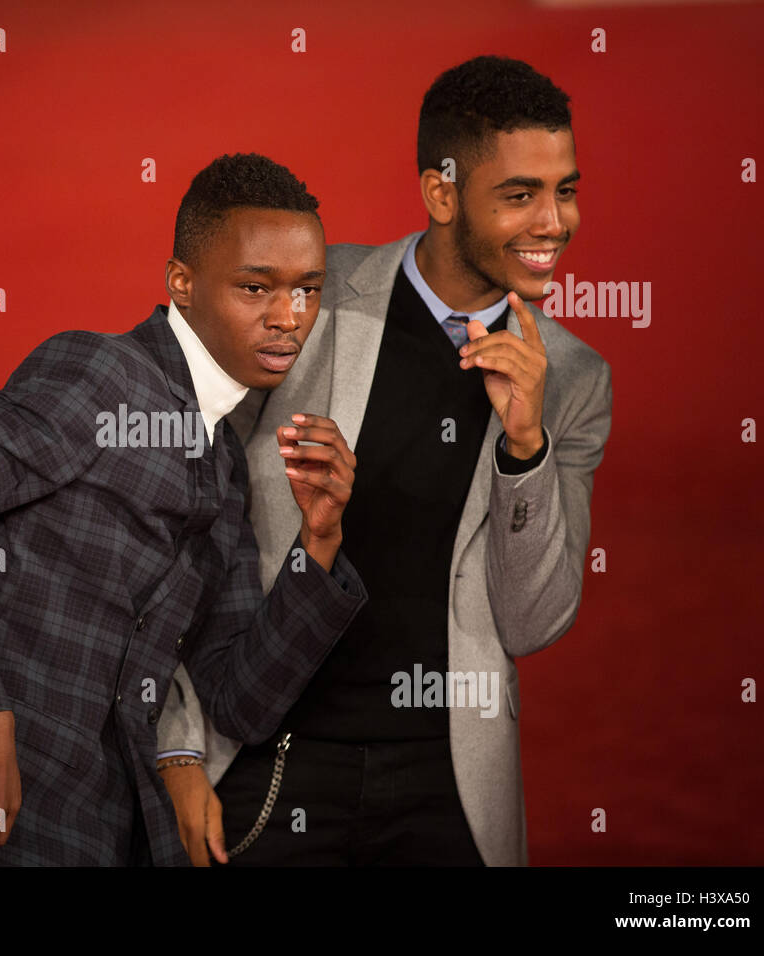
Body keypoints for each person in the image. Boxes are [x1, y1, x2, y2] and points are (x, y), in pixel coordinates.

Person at [0, 153, 367, 866]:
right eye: (254, 287)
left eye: (307, 290)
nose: (287, 317)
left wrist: (319, 541)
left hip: (98, 836)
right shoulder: (103, 377)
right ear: (181, 283)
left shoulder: (227, 467)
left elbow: (239, 701)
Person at [157, 56, 613, 866]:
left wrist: (524, 449)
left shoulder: (573, 380)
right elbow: (177, 529)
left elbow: (533, 621)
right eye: (519, 195)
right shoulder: (309, 302)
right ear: (441, 195)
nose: (554, 222)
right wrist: (179, 746)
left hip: (446, 788)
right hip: (271, 760)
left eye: (565, 190)